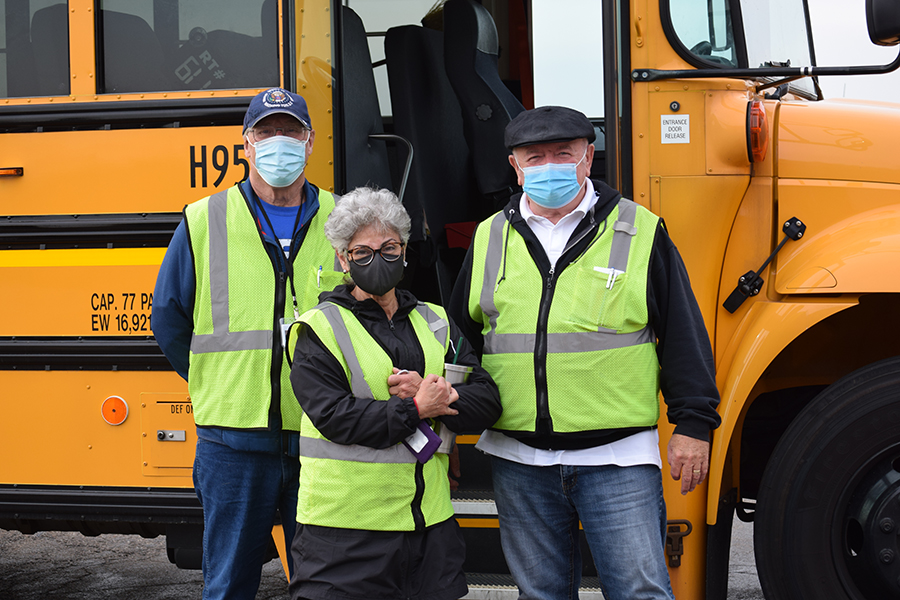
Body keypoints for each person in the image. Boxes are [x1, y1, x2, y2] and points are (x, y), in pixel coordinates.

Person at [448, 106, 722, 600]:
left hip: (617, 460)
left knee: (639, 592)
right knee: (542, 595)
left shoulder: (639, 229)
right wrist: (449, 425)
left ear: (588, 157)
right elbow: (460, 342)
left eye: (563, 154)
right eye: (535, 157)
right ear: (515, 165)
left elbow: (682, 332)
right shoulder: (489, 236)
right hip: (518, 459)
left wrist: (694, 424)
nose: (548, 165)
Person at [152, 87, 344, 600]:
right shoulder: (204, 217)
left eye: (290, 131)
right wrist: (215, 380)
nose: (277, 142)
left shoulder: (345, 219)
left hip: (324, 437)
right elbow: (168, 318)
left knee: (328, 584)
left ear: (309, 143)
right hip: (233, 443)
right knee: (228, 585)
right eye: (266, 132)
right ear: (246, 143)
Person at [288, 187, 501, 600]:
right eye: (362, 252)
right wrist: (417, 407)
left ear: (404, 251)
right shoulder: (318, 329)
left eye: (388, 248)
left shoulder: (436, 322)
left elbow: (488, 398)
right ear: (342, 258)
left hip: (429, 529)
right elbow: (335, 417)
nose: (377, 259)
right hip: (344, 534)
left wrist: (444, 398)